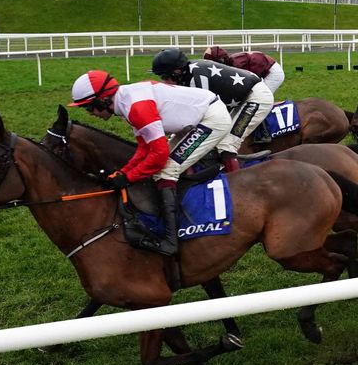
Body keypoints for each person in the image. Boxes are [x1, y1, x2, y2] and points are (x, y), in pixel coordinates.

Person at [67, 69, 233, 256]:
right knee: (162, 167)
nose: (90, 113)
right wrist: (123, 173)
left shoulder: (136, 107)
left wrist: (128, 177)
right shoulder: (127, 101)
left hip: (211, 119)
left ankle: (171, 241)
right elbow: (144, 149)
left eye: (89, 107)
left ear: (103, 99)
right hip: (196, 118)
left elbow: (159, 156)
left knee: (166, 169)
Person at [152, 48, 274, 170]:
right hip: (240, 96)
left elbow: (201, 115)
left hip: (255, 96)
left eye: (164, 77)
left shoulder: (197, 78)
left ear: (177, 72)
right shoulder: (187, 74)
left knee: (226, 143)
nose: (163, 81)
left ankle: (234, 182)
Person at [202, 45, 285, 93]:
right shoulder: (233, 62)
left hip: (273, 73)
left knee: (263, 98)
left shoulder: (236, 65)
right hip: (267, 69)